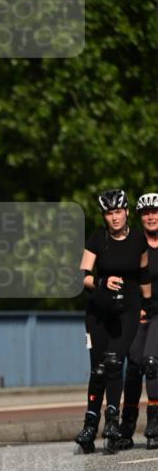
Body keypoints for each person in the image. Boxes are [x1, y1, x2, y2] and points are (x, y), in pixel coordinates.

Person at [75, 189, 150, 454]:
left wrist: (148, 305)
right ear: (104, 216)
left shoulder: (138, 239)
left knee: (114, 362)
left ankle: (112, 422)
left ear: (127, 212)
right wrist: (101, 282)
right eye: (109, 213)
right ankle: (89, 425)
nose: (114, 217)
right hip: (99, 311)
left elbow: (144, 275)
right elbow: (82, 277)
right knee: (98, 369)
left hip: (128, 311)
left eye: (118, 211)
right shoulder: (97, 239)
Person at [116, 192, 158, 449]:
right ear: (140, 217)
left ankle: (154, 423)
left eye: (155, 212)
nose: (151, 217)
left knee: (152, 361)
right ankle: (127, 425)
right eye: (146, 213)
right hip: (138, 313)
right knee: (133, 366)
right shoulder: (133, 244)